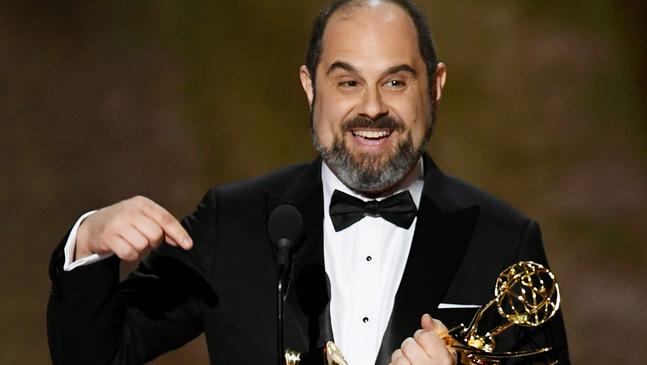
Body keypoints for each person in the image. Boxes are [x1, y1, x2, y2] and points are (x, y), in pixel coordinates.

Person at [47, 1, 570, 364]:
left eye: (395, 81)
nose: (371, 108)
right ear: (309, 87)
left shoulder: (505, 239)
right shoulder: (233, 222)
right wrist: (89, 243)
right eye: (347, 82)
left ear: (434, 87)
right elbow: (98, 355)